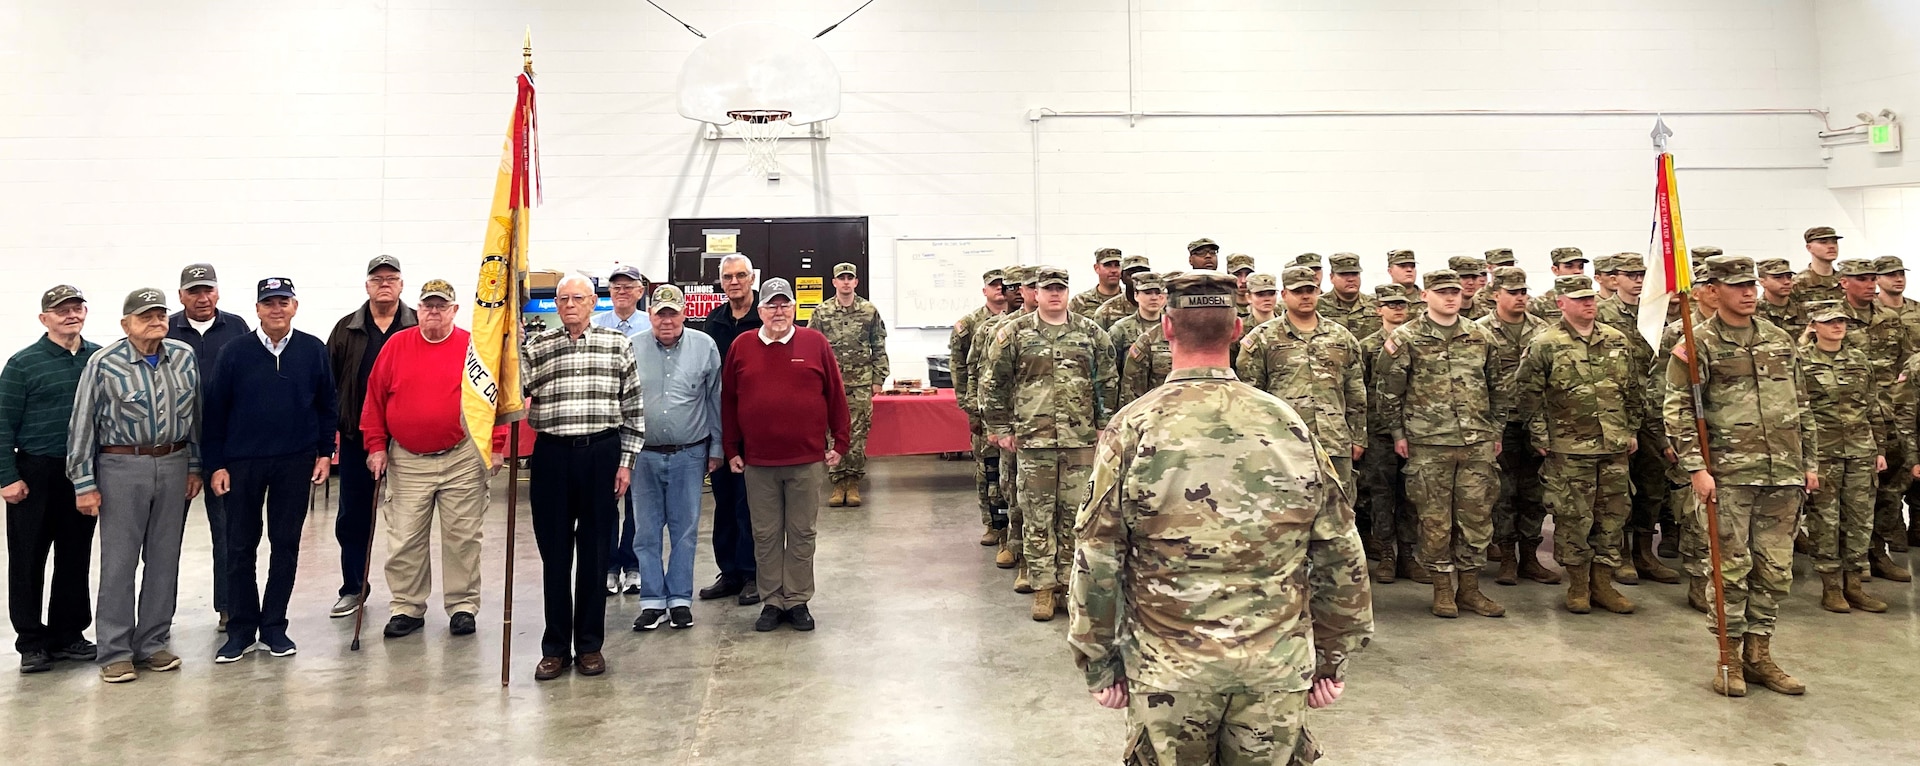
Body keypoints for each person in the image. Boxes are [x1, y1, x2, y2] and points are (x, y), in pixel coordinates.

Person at [1069, 270, 1373, 766]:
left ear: (1166, 328)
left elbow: (1098, 554)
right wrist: (1331, 660)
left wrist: (1100, 662)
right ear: (1237, 330)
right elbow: (1340, 547)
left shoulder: (1133, 427)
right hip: (1274, 667)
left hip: (1169, 671)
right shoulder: (1288, 424)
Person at [1665, 255, 1818, 697]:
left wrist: (1810, 463)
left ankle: (1760, 655)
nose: (1748, 293)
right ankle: (1727, 658)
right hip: (1729, 475)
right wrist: (1696, 467)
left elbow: (1801, 404)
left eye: (1751, 285)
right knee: (1730, 570)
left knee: (1774, 569)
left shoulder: (1779, 339)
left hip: (1783, 474)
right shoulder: (1698, 344)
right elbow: (1677, 411)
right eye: (1737, 286)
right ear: (1714, 290)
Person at [68, 288, 203, 684]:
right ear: (126, 323)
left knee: (164, 559)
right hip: (121, 465)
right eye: (145, 316)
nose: (156, 321)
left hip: (175, 462)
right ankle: (115, 650)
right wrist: (83, 482)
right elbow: (82, 424)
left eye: (160, 314)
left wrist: (194, 465)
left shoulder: (183, 356)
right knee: (120, 563)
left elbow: (195, 415)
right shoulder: (103, 363)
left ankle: (153, 643)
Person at [201, 278, 336, 661]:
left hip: (295, 462)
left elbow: (328, 404)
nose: (276, 309)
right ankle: (241, 629)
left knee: (286, 545)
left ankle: (275, 626)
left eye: (283, 302)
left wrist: (325, 453)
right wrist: (216, 465)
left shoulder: (313, 350)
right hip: (241, 464)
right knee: (239, 546)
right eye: (269, 303)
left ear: (295, 306)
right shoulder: (234, 352)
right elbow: (215, 413)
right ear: (257, 310)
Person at [522, 276, 645, 680]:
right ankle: (555, 647)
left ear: (594, 302)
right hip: (552, 456)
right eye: (563, 299)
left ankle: (590, 645)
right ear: (555, 305)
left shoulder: (617, 344)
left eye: (578, 298)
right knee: (554, 556)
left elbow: (633, 408)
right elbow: (514, 388)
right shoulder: (538, 348)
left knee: (594, 555)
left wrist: (625, 462)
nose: (570, 305)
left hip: (602, 455)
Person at [982, 266, 1116, 621]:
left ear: (1067, 292)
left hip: (1080, 439)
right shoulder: (1015, 333)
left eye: (1061, 288)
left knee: (1075, 515)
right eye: (1048, 289)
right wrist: (1000, 427)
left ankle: (1069, 586)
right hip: (1033, 438)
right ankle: (1042, 587)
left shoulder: (1090, 333)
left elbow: (1107, 380)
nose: (1055, 294)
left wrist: (1104, 424)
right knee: (1037, 514)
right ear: (1035, 294)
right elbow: (994, 382)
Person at [360, 280, 488, 641]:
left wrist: (493, 445)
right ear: (418, 309)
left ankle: (462, 606)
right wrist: (376, 445)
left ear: (455, 310)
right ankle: (407, 607)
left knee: (463, 536)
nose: (434, 311)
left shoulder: (472, 347)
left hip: (461, 455)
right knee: (404, 537)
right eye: (428, 305)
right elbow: (375, 398)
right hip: (407, 458)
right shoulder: (397, 345)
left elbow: (491, 397)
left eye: (441, 305)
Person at [723, 278, 850, 633]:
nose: (778, 312)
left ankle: (797, 599)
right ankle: (771, 600)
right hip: (758, 462)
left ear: (794, 308)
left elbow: (836, 395)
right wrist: (731, 448)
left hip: (806, 460)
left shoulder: (815, 343)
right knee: (764, 534)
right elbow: (729, 401)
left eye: (784, 305)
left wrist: (840, 442)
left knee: (801, 532)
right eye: (771, 305)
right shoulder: (741, 345)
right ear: (759, 310)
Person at [1377, 270, 1505, 619]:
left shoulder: (1481, 336)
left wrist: (1496, 431)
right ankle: (1442, 590)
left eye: (1454, 292)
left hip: (1476, 441)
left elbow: (1498, 388)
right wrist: (1398, 434)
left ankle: (1471, 590)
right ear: (1425, 295)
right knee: (1435, 521)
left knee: (1477, 517)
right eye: (1442, 292)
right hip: (1428, 443)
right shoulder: (1406, 338)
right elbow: (1388, 392)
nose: (1451, 297)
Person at [1510, 275, 1643, 614]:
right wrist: (1541, 436)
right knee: (1573, 518)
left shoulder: (1616, 339)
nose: (1588, 303)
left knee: (1613, 517)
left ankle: (1603, 584)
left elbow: (1632, 391)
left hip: (1612, 446)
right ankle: (1579, 585)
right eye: (1579, 298)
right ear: (1561, 303)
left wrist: (1631, 430)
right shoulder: (1546, 344)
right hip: (1568, 448)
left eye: (1591, 298)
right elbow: (1528, 394)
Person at [2, 286, 102, 673]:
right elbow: (2, 424)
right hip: (35, 473)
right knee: (28, 559)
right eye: (61, 311)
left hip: (81, 474)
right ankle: (31, 641)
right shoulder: (23, 364)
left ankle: (68, 634)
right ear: (44, 319)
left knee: (75, 556)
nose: (70, 315)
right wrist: (6, 477)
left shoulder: (98, 358)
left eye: (76, 308)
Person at [325, 255, 417, 618]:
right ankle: (353, 587)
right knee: (354, 517)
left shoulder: (416, 326)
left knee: (410, 518)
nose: (384, 284)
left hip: (409, 442)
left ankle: (407, 597)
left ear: (401, 285)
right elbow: (328, 384)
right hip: (357, 440)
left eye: (391, 278)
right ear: (367, 285)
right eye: (377, 278)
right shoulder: (346, 329)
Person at [627, 285, 721, 633]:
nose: (666, 320)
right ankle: (652, 601)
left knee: (685, 531)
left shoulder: (705, 346)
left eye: (672, 313)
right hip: (643, 455)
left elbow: (715, 399)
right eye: (659, 313)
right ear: (649, 314)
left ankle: (680, 599)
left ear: (684, 314)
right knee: (646, 531)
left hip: (690, 454)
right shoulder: (632, 347)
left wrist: (717, 448)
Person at [166, 263, 250, 632]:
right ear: (181, 295)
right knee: (165, 538)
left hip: (224, 448)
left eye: (208, 290)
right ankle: (158, 615)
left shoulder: (236, 327)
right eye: (194, 292)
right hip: (175, 448)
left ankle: (229, 608)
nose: (202, 298)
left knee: (229, 533)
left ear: (218, 292)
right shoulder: (164, 328)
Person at [1236, 266, 1365, 489]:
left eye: (1310, 290)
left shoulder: (1341, 336)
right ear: (1284, 295)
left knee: (1339, 512)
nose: (1305, 296)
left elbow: (1355, 391)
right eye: (1298, 291)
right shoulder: (1262, 338)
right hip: (1284, 443)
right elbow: (1250, 395)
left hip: (1334, 440)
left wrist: (1358, 437)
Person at [1597, 254, 1680, 586]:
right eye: (1629, 274)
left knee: (1652, 485)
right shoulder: (1601, 314)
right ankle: (1619, 554)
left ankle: (1645, 552)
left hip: (1655, 409)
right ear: (1614, 279)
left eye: (1640, 274)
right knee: (1618, 488)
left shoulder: (1659, 313)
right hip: (1615, 411)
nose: (1636, 280)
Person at [1801, 301, 1889, 613]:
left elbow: (1872, 405)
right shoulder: (1801, 362)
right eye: (1830, 321)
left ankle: (1855, 584)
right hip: (1823, 452)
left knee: (1860, 519)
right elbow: (1798, 411)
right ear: (1814, 325)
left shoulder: (1859, 359)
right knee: (1825, 519)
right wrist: (1805, 459)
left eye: (1841, 321)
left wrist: (1879, 448)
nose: (1838, 326)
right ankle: (1831, 587)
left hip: (1860, 450)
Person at [1476, 266, 1559, 587]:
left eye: (1524, 292)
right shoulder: (1481, 331)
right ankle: (1507, 558)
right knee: (1503, 493)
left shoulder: (1542, 330)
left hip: (1536, 422)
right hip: (1500, 424)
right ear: (1496, 295)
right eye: (1513, 292)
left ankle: (1530, 558)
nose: (1520, 297)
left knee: (1534, 492)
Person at [1836, 257, 1915, 581]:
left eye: (1872, 279)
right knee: (1851, 494)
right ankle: (1849, 561)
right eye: (1862, 279)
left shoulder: (1890, 318)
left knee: (1886, 491)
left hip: (1888, 416)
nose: (1870, 285)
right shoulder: (1834, 319)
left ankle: (1876, 552)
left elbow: (1907, 363)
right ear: (1845, 283)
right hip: (1848, 419)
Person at [698, 254, 763, 606]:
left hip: (754, 424)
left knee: (748, 503)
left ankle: (753, 573)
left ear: (751, 278)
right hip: (720, 424)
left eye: (740, 275)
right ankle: (730, 572)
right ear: (721, 282)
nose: (734, 282)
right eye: (728, 277)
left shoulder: (763, 318)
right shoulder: (715, 321)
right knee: (723, 502)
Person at [807, 262, 889, 507]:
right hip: (830, 384)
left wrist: (878, 378)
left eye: (849, 278)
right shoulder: (821, 312)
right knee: (833, 433)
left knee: (858, 433)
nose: (845, 282)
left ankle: (852, 482)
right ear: (834, 282)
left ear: (855, 282)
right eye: (840, 278)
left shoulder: (869, 311)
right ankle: (837, 481)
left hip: (861, 383)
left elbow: (879, 345)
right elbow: (811, 347)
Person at [593, 264, 653, 597]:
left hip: (637, 424)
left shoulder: (651, 325)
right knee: (604, 501)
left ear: (640, 291)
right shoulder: (596, 325)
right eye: (616, 287)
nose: (622, 292)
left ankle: (632, 565)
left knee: (636, 502)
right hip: (605, 425)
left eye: (628, 286)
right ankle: (609, 566)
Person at [971, 267, 1033, 573]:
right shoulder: (999, 329)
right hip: (1011, 422)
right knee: (1008, 485)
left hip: (1052, 426)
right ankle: (1013, 541)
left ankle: (1038, 559)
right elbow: (983, 377)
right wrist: (985, 418)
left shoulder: (1079, 329)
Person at [1358, 285, 1420, 583]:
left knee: (1411, 495)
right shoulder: (1368, 346)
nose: (1398, 309)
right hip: (1380, 431)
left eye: (1402, 304)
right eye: (1391, 304)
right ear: (1378, 309)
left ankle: (1408, 555)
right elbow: (1360, 389)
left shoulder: (1417, 341)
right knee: (1381, 494)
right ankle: (1386, 554)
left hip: (1414, 429)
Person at [949, 268, 1009, 547]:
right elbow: (961, 367)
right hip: (982, 410)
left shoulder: (1017, 321)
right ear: (984, 290)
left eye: (1003, 285)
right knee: (988, 469)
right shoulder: (970, 324)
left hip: (1009, 411)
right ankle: (991, 524)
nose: (999, 289)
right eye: (993, 285)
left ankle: (1011, 528)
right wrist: (969, 407)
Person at [1106, 272, 1166, 378]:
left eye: (1157, 293)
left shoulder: (1173, 328)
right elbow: (1110, 371)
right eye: (1148, 293)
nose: (1154, 298)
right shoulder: (1120, 330)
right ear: (1136, 295)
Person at [1319, 253, 1379, 342]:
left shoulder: (1377, 304)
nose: (1351, 279)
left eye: (1355, 274)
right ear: (1332, 278)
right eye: (1344, 274)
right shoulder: (1317, 305)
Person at [1092, 255, 1153, 329]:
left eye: (1143, 273)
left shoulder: (1162, 309)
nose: (1138, 278)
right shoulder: (1105, 312)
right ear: (1121, 277)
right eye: (1132, 274)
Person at [1530, 247, 1589, 321]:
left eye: (1581, 267)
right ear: (1555, 270)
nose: (1577, 271)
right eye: (1569, 266)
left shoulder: (1592, 301)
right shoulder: (1540, 303)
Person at [1793, 226, 1844, 309]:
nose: (1831, 246)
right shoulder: (1796, 284)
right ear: (1809, 248)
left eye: (1834, 242)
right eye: (1823, 242)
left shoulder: (1845, 282)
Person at [1070, 248, 1124, 318]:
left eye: (1117, 265)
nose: (1113, 270)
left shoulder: (1131, 299)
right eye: (1107, 265)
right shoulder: (1080, 301)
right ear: (1096, 268)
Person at [1756, 258, 1806, 332]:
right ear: (1762, 282)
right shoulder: (1752, 312)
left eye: (1789, 277)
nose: (1786, 282)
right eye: (1778, 277)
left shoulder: (1804, 310)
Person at [1238, 272, 1281, 337]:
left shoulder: (1288, 326)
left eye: (1271, 293)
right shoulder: (1240, 328)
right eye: (1260, 294)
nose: (1267, 299)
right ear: (1249, 297)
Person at [1226, 253, 1257, 318]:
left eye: (1248, 274)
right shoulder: (1224, 307)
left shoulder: (1263, 306)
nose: (1244, 280)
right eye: (1237, 274)